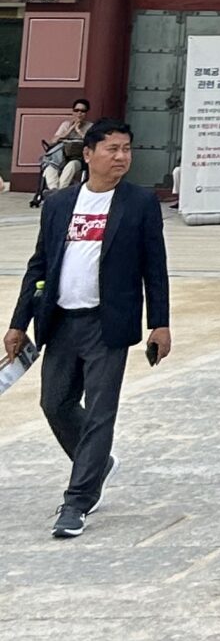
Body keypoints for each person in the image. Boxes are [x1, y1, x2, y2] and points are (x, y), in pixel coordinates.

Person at [6, 118, 171, 539]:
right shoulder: (60, 204)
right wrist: (18, 323)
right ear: (89, 154)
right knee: (55, 403)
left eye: (127, 149)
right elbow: (39, 265)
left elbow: (155, 267)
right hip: (60, 321)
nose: (121, 157)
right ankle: (97, 463)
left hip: (107, 324)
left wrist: (160, 324)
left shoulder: (139, 203)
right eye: (113, 149)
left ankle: (77, 500)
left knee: (100, 413)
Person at [35, 98, 91, 203]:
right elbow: (53, 141)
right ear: (72, 111)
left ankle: (58, 193)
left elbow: (90, 142)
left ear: (86, 113)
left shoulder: (90, 126)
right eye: (76, 110)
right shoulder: (65, 124)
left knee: (71, 166)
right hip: (61, 156)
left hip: (78, 157)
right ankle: (54, 190)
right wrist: (70, 130)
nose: (79, 113)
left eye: (82, 111)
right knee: (49, 166)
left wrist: (78, 131)